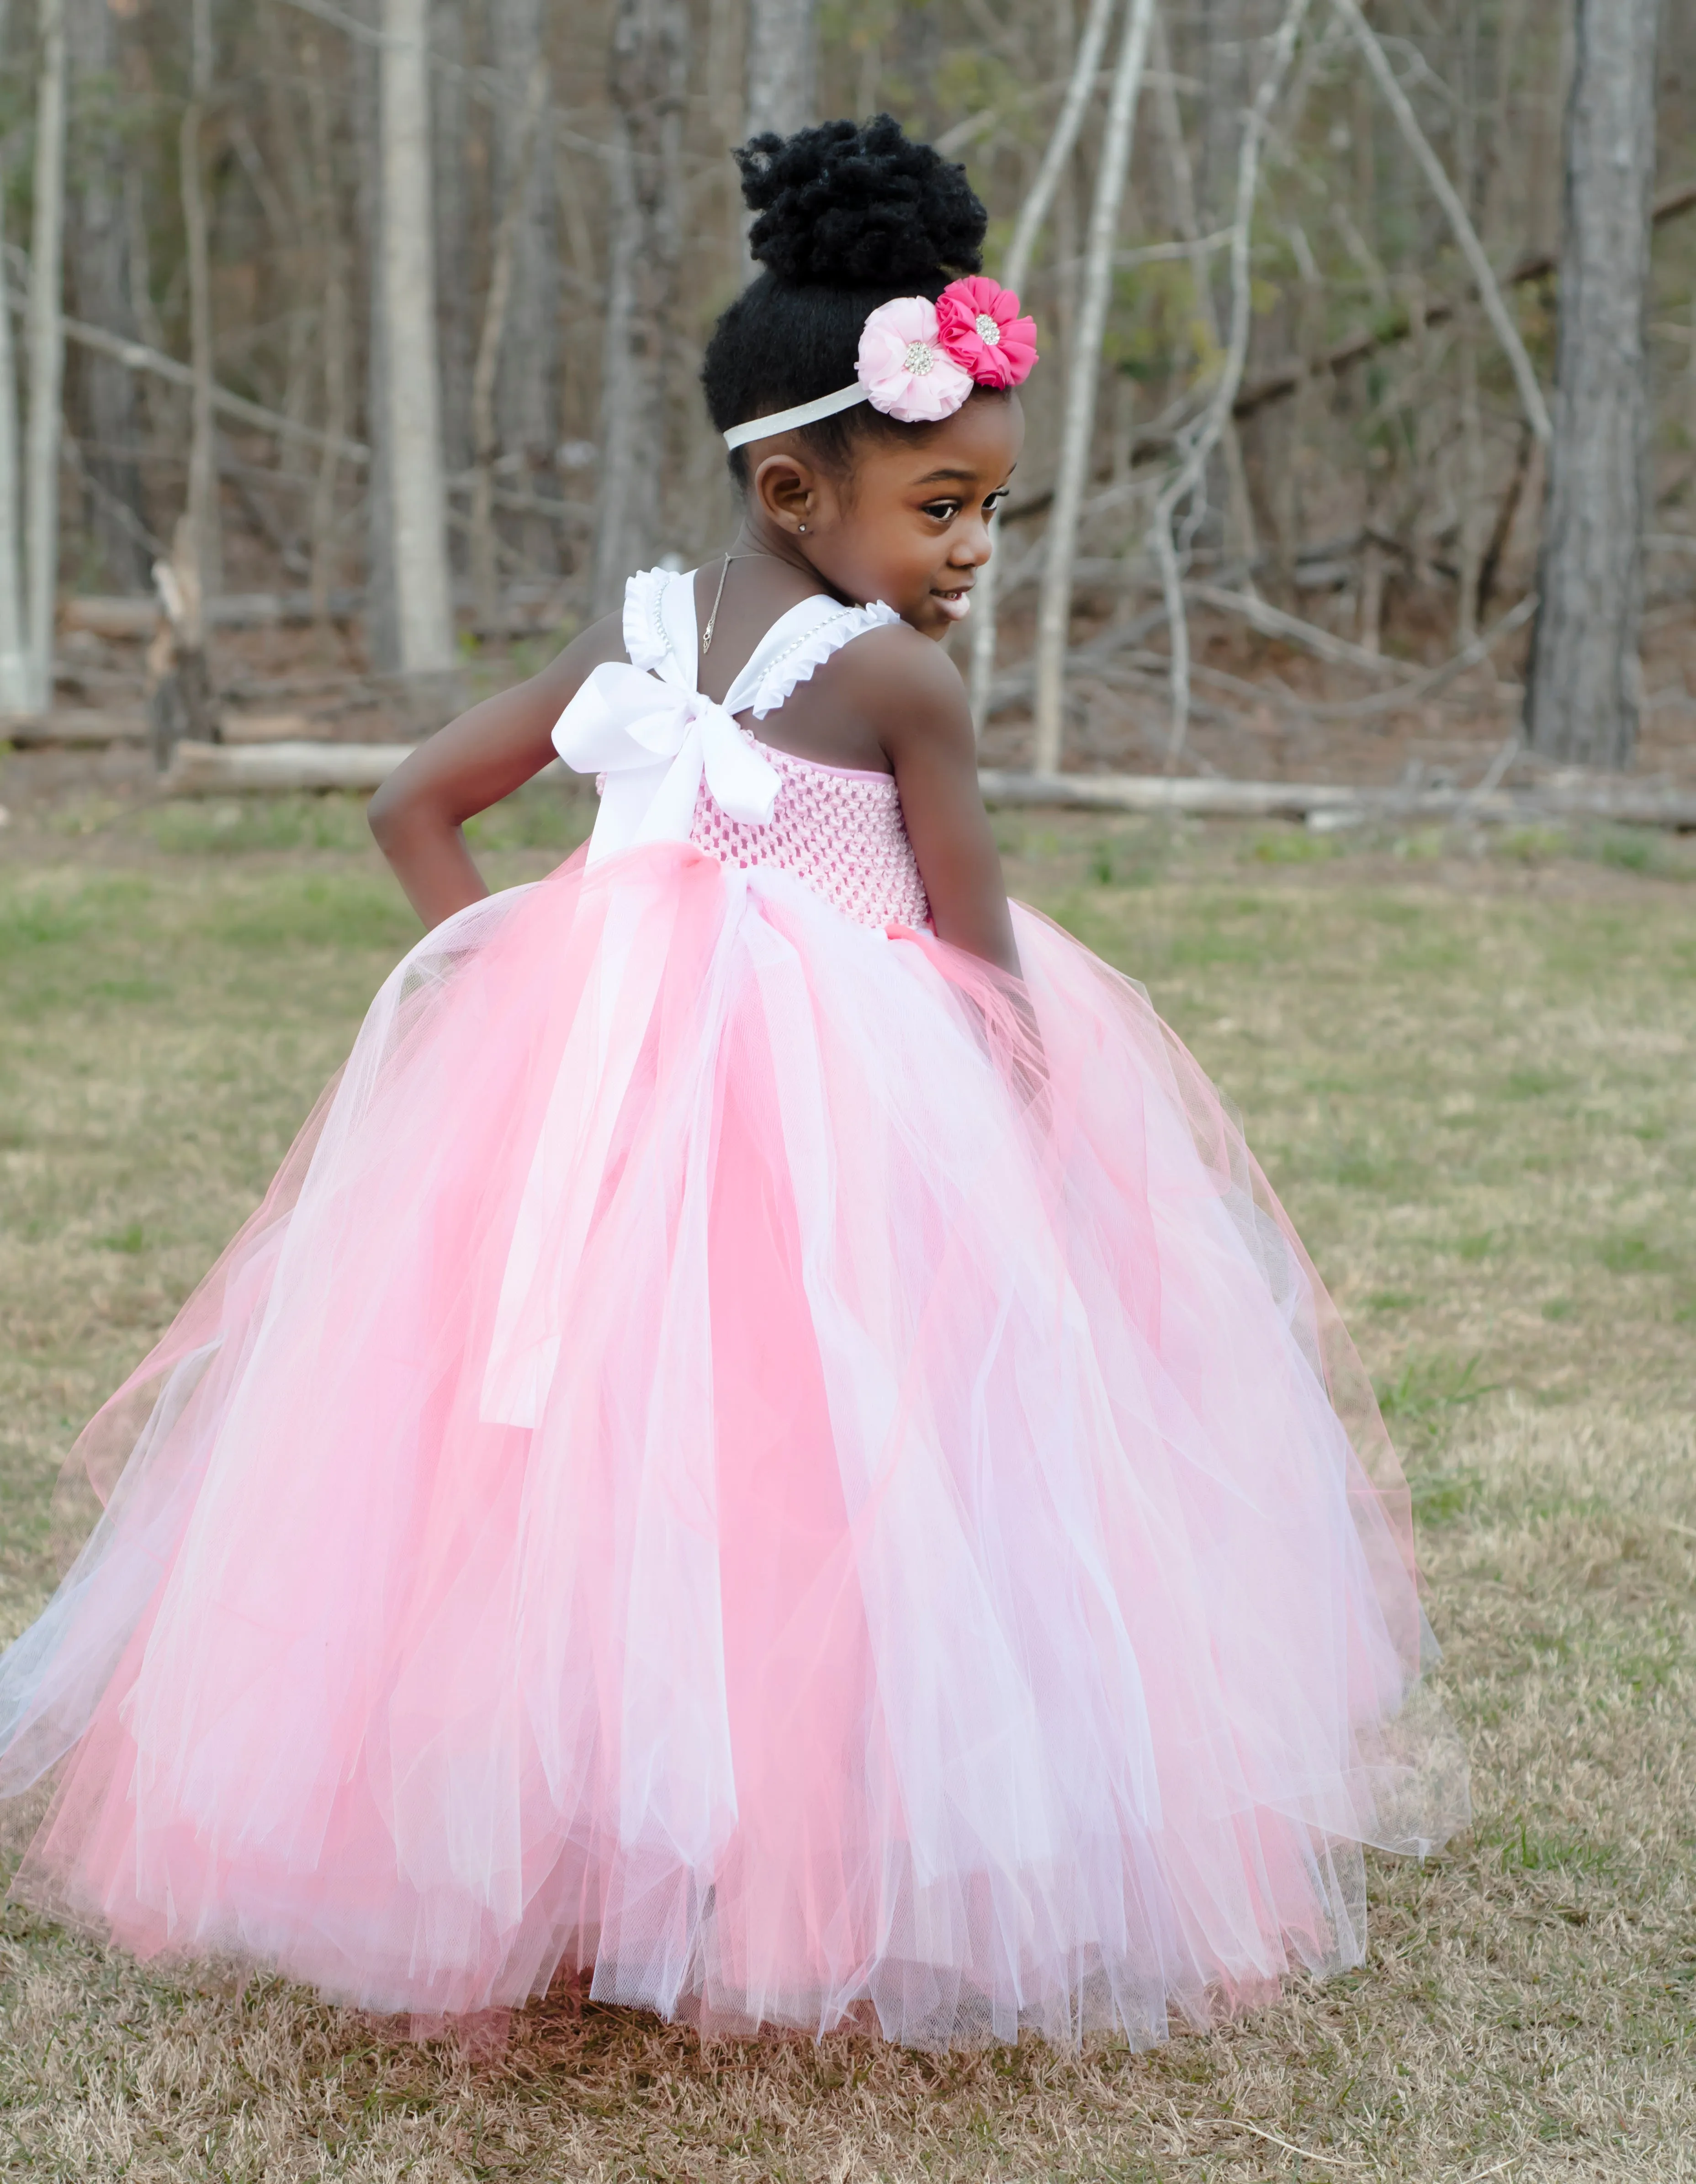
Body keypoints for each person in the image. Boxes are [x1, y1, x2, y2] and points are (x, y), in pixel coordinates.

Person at [0, 117, 1466, 2052]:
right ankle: (747, 1862)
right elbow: (987, 977)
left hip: (585, 1135)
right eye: (941, 506)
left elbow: (410, 805)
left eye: (986, 510)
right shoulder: (896, 687)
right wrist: (1027, 1193)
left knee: (579, 1492)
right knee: (810, 1497)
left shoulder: (638, 631)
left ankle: (603, 1857)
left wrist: (492, 980)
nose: (970, 556)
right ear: (794, 485)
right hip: (832, 1157)